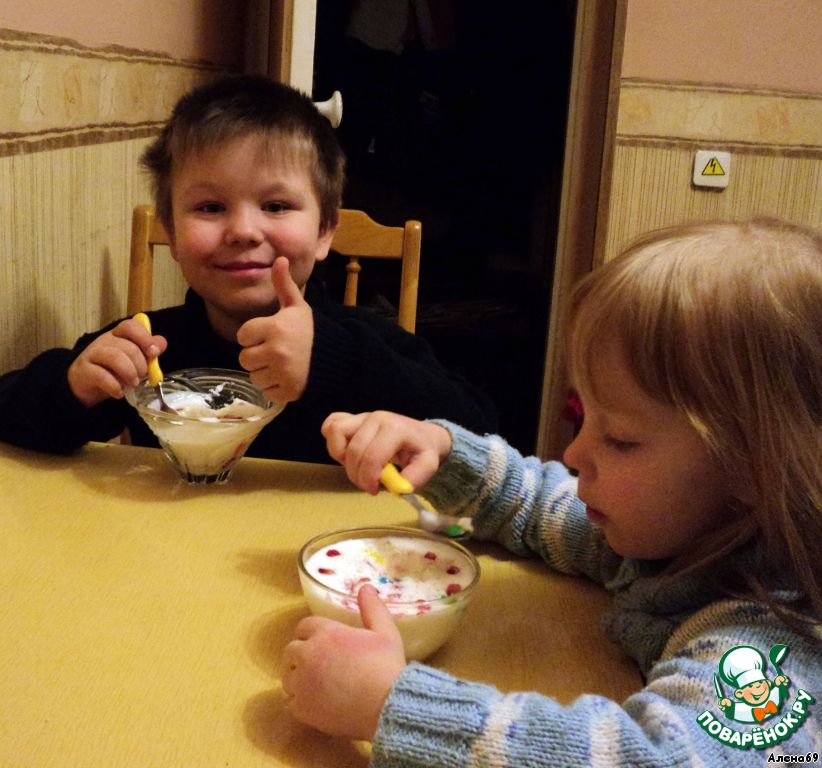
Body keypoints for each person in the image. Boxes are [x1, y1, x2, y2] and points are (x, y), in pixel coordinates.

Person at [283, 218, 822, 764]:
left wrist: (388, 706)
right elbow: (540, 505)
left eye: (620, 439)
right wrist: (442, 452)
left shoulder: (773, 643)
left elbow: (655, 758)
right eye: (584, 418)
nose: (574, 454)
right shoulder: (673, 538)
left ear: (753, 471)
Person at [0, 74, 496, 463]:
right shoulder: (148, 350)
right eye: (211, 207)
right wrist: (70, 388)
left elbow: (481, 438)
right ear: (171, 234)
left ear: (325, 231)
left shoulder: (363, 345)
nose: (242, 230)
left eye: (276, 206)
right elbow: (10, 414)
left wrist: (331, 361)